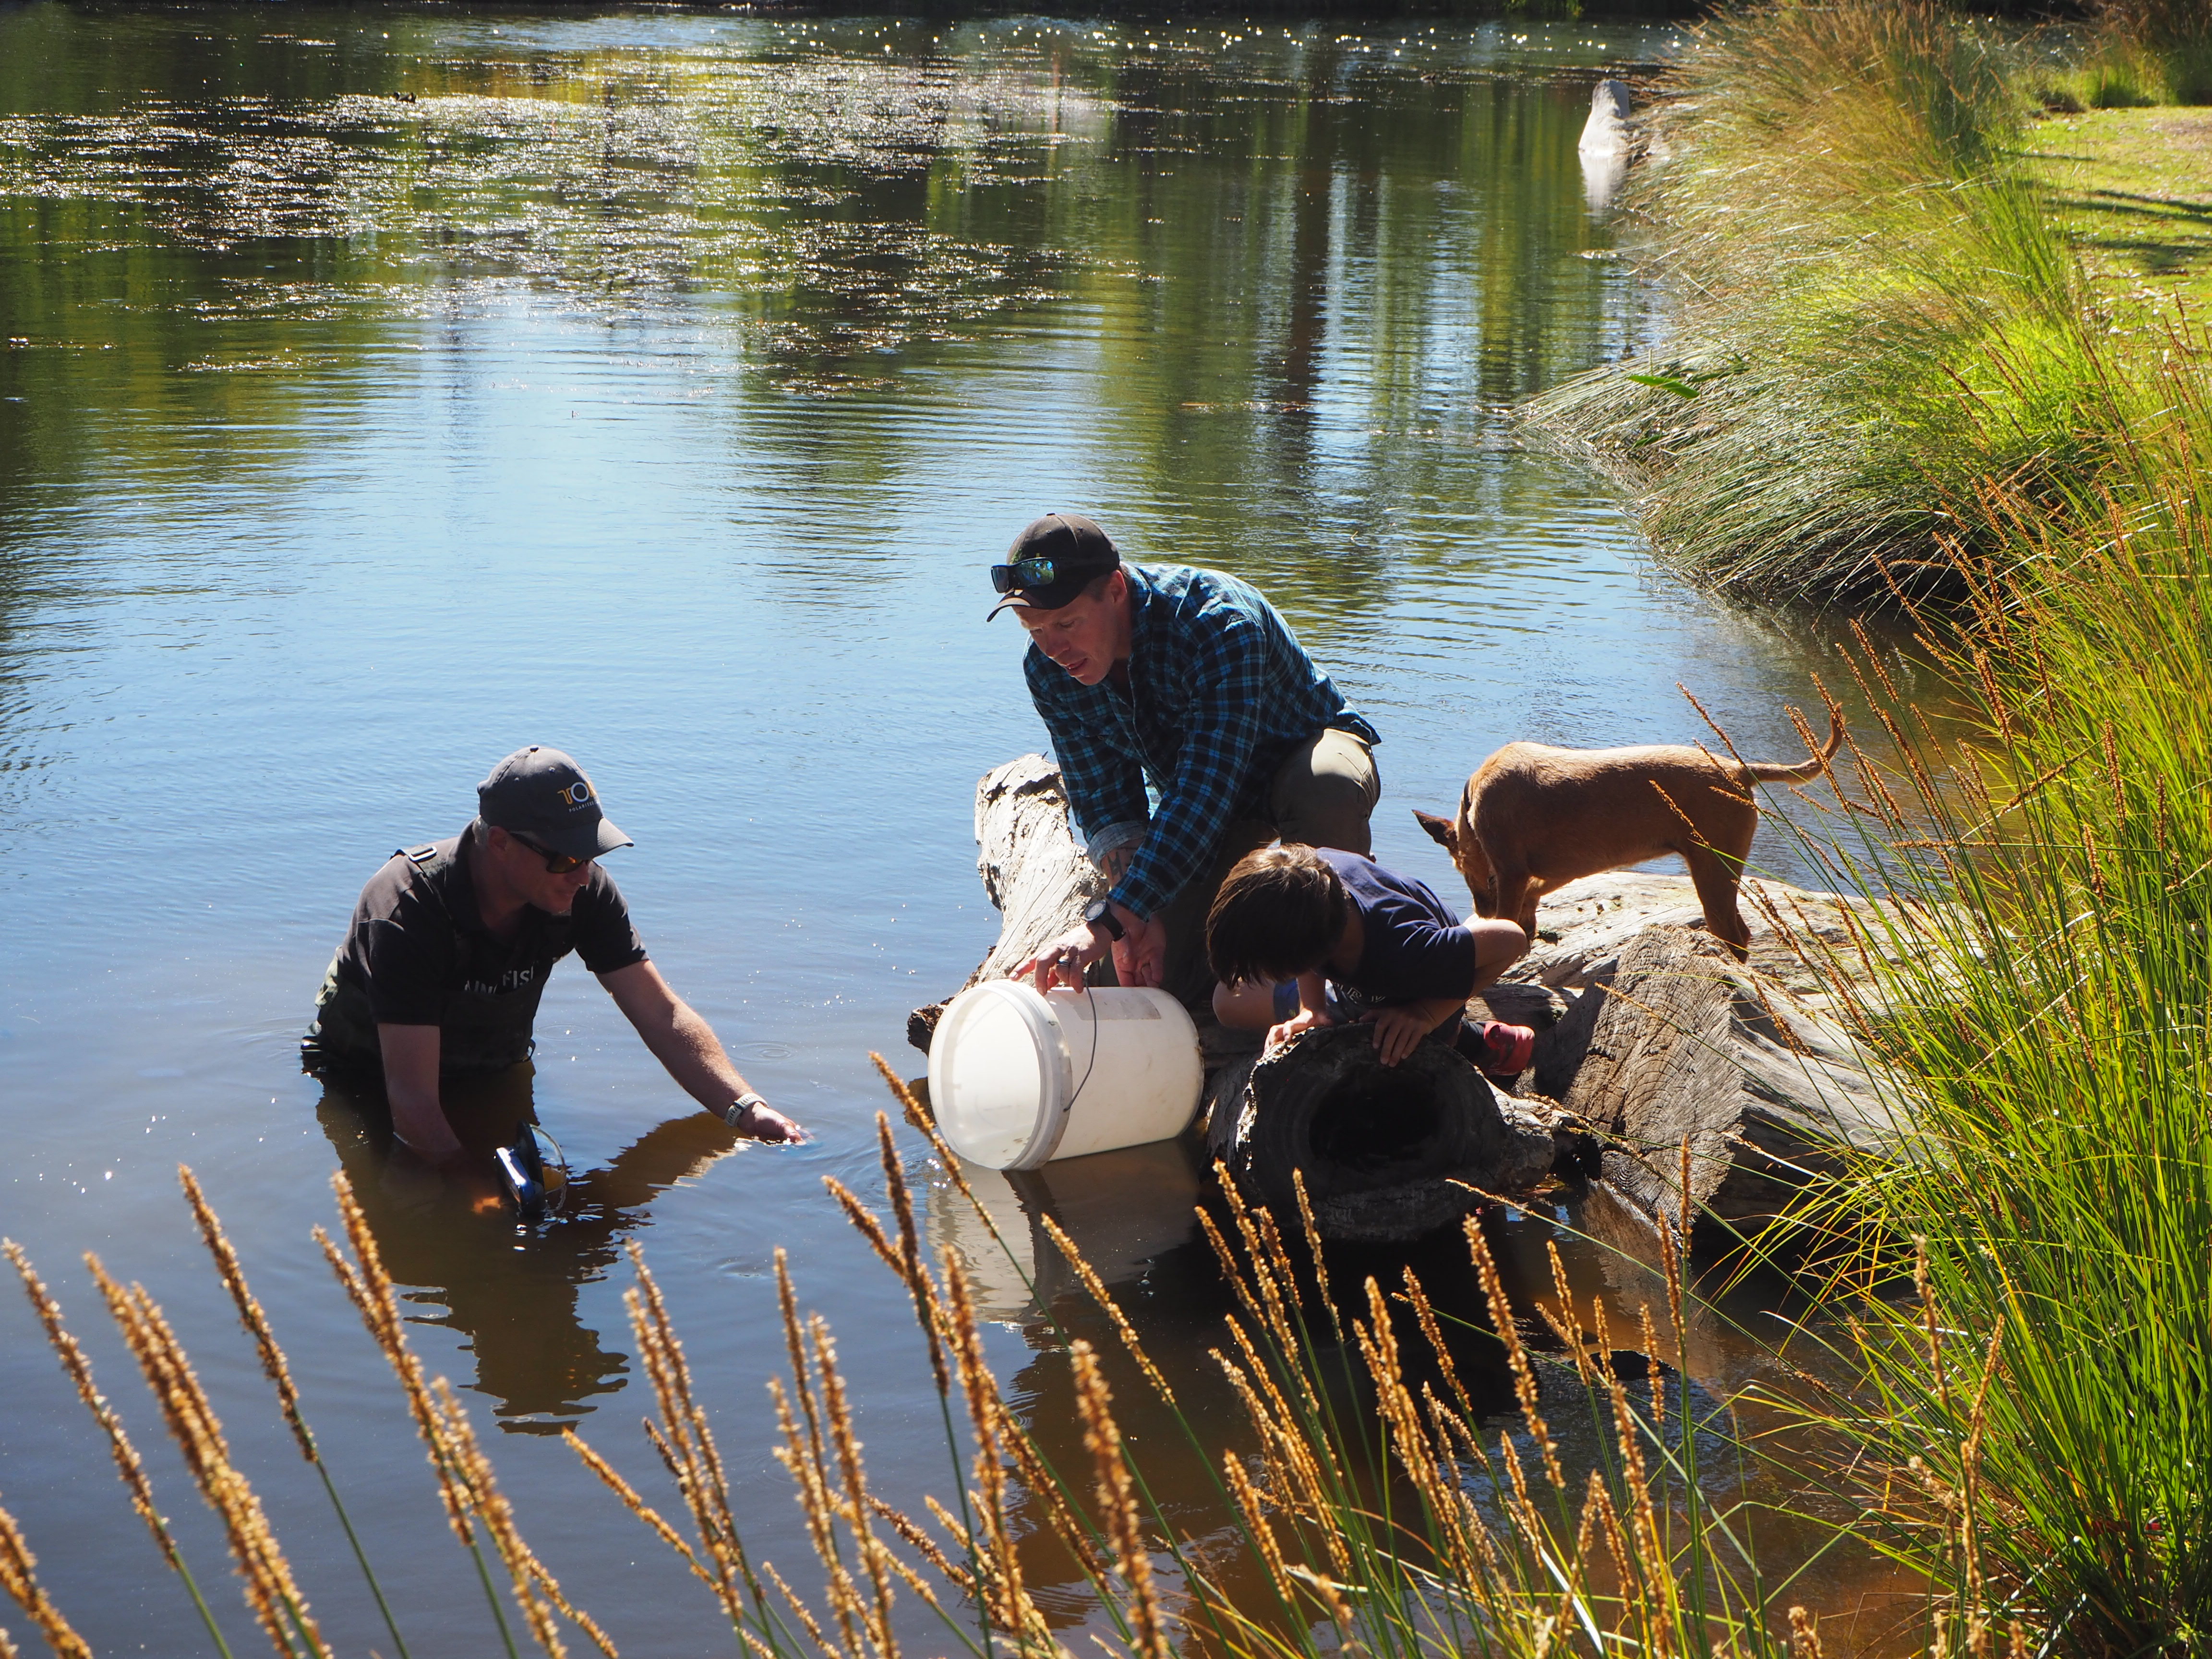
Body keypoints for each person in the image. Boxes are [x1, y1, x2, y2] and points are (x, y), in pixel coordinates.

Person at [304, 745, 802, 1169]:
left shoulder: (578, 890)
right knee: (426, 1201)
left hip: (491, 1071)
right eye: (565, 858)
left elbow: (661, 1013)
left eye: (591, 853)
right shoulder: (404, 907)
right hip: (365, 1079)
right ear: (499, 843)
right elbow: (412, 1103)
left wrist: (747, 1110)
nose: (583, 875)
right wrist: (476, 1191)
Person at [993, 512, 1382, 1006]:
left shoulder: (1216, 622)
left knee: (1326, 788)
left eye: (1067, 623)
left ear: (1115, 590)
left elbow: (1205, 788)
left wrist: (1112, 918)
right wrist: (1136, 919)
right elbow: (1105, 800)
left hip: (1299, 755)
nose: (1054, 648)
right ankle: (1272, 996)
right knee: (1146, 979)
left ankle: (1352, 967)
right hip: (1210, 804)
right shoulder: (1049, 673)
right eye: (1035, 629)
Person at [1205, 843, 1534, 1074]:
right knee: (1228, 998)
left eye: (1277, 970)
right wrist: (1312, 1010)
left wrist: (1426, 1014)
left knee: (1381, 1062)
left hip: (1415, 996)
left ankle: (1472, 1041)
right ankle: (1334, 1013)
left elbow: (1512, 939)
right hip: (1357, 984)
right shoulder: (1308, 878)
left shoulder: (1408, 950)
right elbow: (1307, 945)